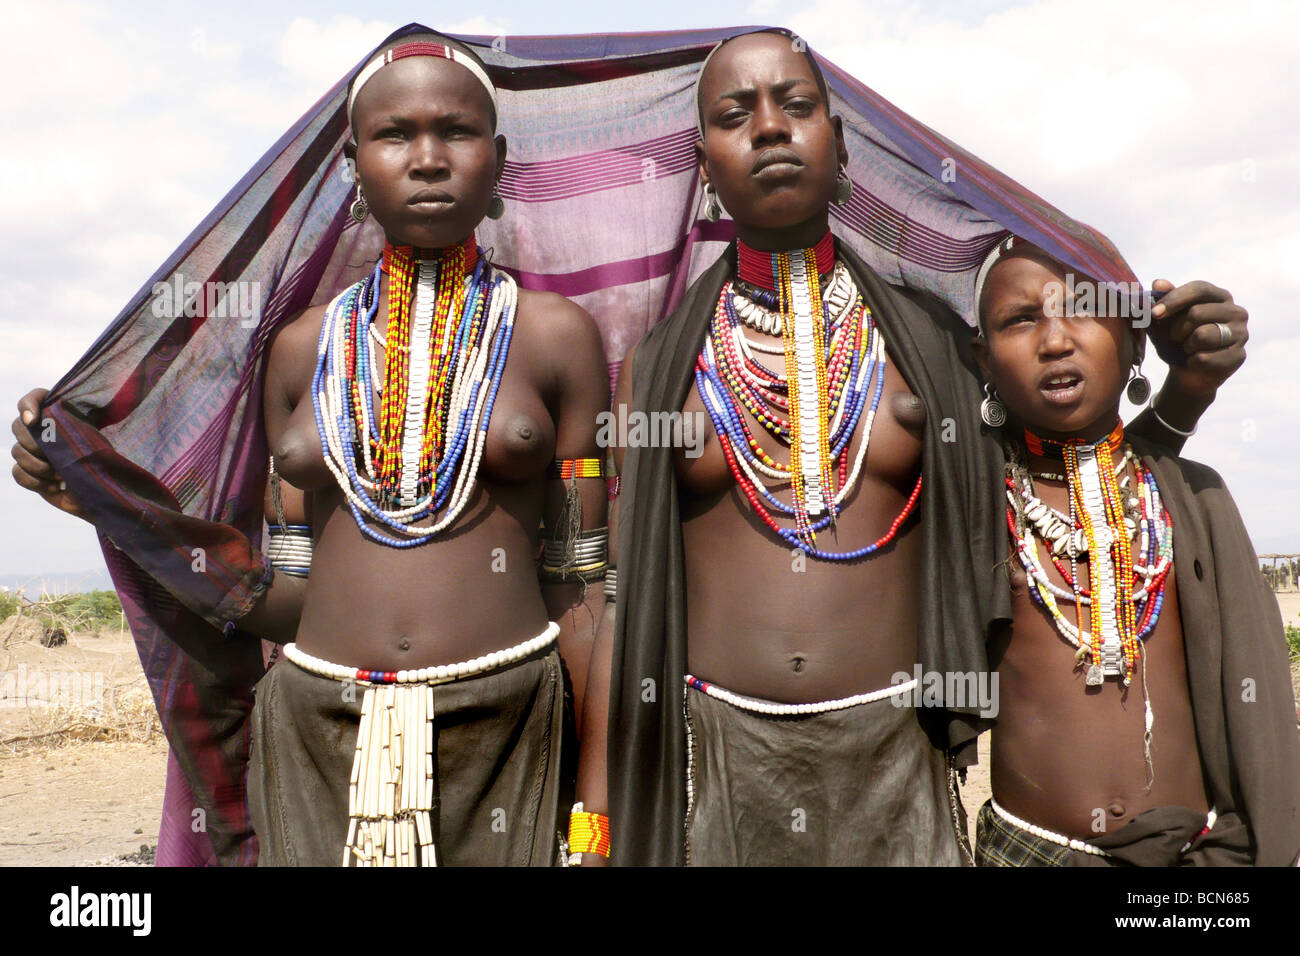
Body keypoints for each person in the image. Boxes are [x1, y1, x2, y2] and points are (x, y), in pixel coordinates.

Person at [574, 29, 1248, 867]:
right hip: (714, 762)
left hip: (898, 760)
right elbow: (623, 599)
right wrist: (591, 826)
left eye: (796, 105)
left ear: (843, 144)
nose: (771, 128)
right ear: (703, 166)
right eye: (734, 113)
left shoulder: (931, 348)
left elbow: (1078, 469)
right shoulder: (662, 367)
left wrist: (1187, 388)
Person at [12, 31, 610, 867]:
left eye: (458, 132)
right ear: (353, 165)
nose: (428, 158)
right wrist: (105, 498)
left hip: (505, 722)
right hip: (315, 729)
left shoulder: (555, 339)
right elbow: (287, 593)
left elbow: (582, 586)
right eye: (395, 135)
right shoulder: (303, 352)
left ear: (498, 159)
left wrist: (599, 800)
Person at [970, 237, 1300, 865]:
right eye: (1021, 319)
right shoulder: (979, 503)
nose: (1056, 340)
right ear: (982, 359)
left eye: (1085, 310)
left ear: (1135, 343)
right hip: (1031, 851)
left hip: (1200, 856)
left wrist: (1193, 385)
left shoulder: (1188, 497)